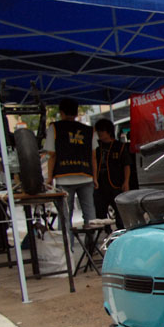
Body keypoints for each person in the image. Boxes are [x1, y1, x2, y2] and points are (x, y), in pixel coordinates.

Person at [44, 98, 98, 234]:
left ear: (61, 112)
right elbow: (93, 156)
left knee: (65, 216)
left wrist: (49, 177)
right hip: (86, 175)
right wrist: (95, 177)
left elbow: (52, 155)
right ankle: (92, 243)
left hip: (64, 177)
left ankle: (68, 246)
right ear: (76, 112)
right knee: (90, 214)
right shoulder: (89, 130)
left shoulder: (54, 128)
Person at [93, 118, 132, 230]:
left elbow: (126, 165)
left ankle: (121, 231)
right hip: (100, 184)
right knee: (100, 212)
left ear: (109, 131)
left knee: (119, 211)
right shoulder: (97, 147)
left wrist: (126, 182)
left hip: (116, 184)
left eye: (102, 131)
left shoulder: (119, 146)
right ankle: (105, 232)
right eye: (98, 131)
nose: (99, 133)